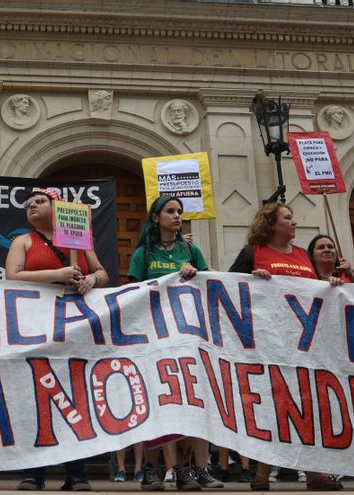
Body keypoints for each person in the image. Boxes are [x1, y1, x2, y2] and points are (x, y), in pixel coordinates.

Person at [229, 203, 341, 492]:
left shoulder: (303, 254)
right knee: (274, 403)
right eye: (288, 218)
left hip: (305, 343)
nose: (295, 222)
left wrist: (330, 283)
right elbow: (229, 286)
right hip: (270, 342)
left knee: (309, 401)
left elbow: (316, 290)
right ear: (271, 223)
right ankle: (263, 471)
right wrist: (252, 279)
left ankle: (315, 472)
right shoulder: (253, 253)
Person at [6, 188, 108, 491]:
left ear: (56, 207)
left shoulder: (78, 238)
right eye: (28, 204)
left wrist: (91, 279)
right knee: (36, 396)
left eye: (39, 201)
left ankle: (76, 473)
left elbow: (102, 271)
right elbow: (12, 277)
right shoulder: (22, 241)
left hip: (75, 327)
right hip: (36, 326)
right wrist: (57, 273)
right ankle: (33, 472)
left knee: (75, 396)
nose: (32, 206)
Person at [127, 195, 216, 491]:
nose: (177, 216)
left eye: (179, 211)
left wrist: (197, 272)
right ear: (156, 218)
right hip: (154, 339)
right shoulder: (143, 253)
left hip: (187, 338)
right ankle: (154, 470)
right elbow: (133, 293)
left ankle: (190, 469)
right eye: (171, 211)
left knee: (188, 401)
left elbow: (214, 281)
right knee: (158, 403)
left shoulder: (190, 249)